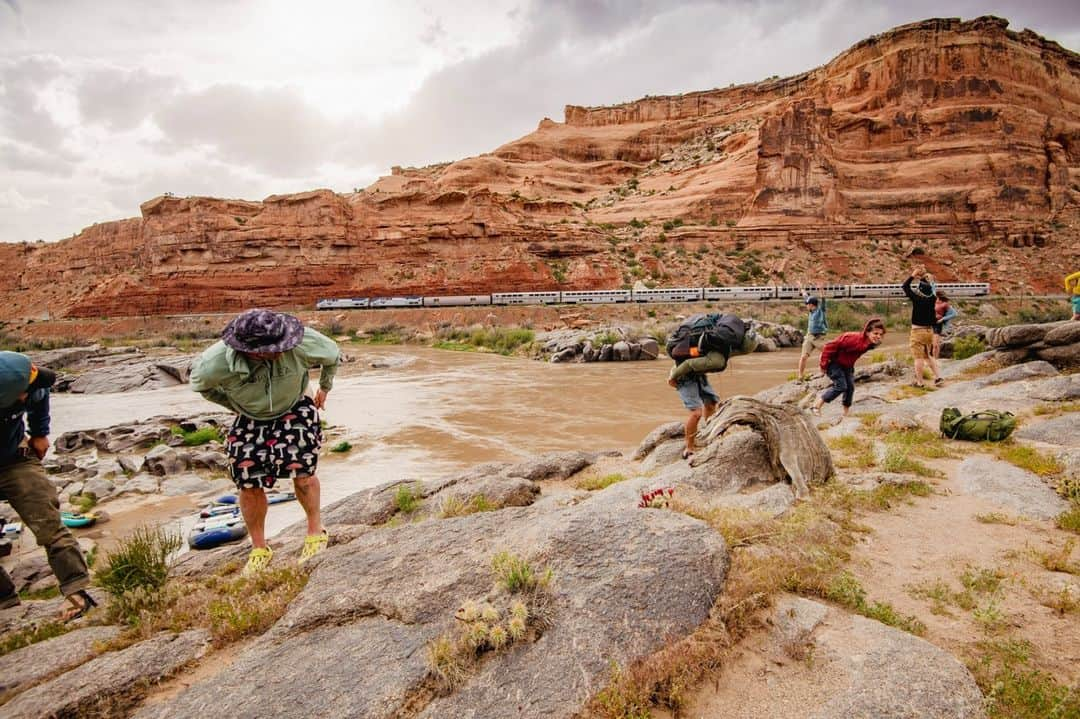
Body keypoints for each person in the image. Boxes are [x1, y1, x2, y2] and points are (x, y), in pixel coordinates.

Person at [190, 309, 341, 575]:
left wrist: (324, 388)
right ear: (250, 350)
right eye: (272, 349)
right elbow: (200, 385)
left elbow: (332, 354)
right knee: (247, 481)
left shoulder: (301, 341)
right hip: (249, 415)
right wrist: (232, 405)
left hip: (295, 403)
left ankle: (315, 532)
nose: (281, 352)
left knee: (303, 472)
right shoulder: (214, 362)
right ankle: (260, 548)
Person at [0, 352, 95, 620]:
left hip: (16, 460)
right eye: (21, 394)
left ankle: (77, 590)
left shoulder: (32, 382)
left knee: (49, 525)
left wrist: (40, 432)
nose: (26, 396)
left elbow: (41, 394)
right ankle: (6, 603)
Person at [666, 316, 758, 460]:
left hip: (697, 372)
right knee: (696, 413)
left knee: (711, 403)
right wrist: (673, 377)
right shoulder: (718, 358)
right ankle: (689, 448)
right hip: (682, 374)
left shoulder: (724, 342)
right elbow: (688, 365)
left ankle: (709, 436)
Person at [810, 318, 886, 417]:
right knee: (841, 386)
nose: (878, 336)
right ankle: (816, 406)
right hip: (833, 363)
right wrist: (823, 364)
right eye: (875, 333)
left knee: (850, 387)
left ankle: (846, 412)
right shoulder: (852, 338)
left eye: (880, 334)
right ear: (867, 332)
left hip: (847, 365)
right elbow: (829, 346)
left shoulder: (872, 343)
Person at [902, 266, 943, 387]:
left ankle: (920, 382)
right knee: (928, 356)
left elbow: (905, 287)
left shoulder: (917, 298)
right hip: (929, 331)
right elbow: (932, 289)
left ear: (920, 288)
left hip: (917, 331)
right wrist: (927, 279)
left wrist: (913, 275)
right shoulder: (934, 299)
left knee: (918, 358)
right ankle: (938, 377)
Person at [797, 286, 828, 382]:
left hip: (819, 337)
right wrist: (801, 287)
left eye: (807, 304)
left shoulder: (820, 310)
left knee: (826, 353)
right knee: (803, 357)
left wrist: (821, 290)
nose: (806, 305)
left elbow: (823, 300)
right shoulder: (810, 310)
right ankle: (800, 377)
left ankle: (823, 372)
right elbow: (805, 296)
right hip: (809, 336)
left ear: (812, 305)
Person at [932, 291, 959, 359]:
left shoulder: (945, 304)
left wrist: (943, 319)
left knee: (935, 344)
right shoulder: (933, 301)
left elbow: (954, 314)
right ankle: (930, 360)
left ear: (938, 296)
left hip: (937, 324)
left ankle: (936, 360)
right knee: (928, 344)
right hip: (928, 324)